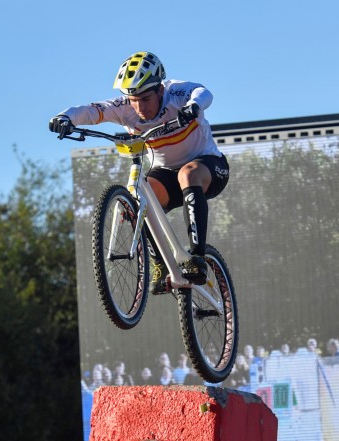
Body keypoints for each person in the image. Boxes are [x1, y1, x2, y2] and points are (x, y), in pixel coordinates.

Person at [49, 51, 229, 291]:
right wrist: (65, 117)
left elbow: (203, 92)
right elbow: (91, 111)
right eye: (133, 100)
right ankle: (160, 264)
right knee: (140, 198)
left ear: (160, 91)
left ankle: (197, 257)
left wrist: (193, 107)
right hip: (166, 174)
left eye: (145, 99)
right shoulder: (125, 107)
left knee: (187, 173)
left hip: (208, 167)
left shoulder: (175, 93)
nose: (139, 107)